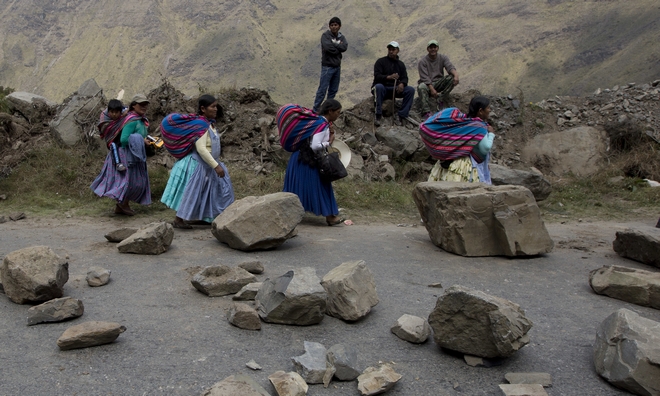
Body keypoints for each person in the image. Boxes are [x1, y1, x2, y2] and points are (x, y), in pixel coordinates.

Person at [160, 95, 235, 229]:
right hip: (199, 165)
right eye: (212, 106)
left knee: (209, 192)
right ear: (203, 108)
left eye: (216, 106)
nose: (216, 109)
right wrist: (216, 166)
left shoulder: (210, 124)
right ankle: (179, 219)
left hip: (208, 166)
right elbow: (201, 149)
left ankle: (205, 217)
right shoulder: (201, 125)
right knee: (191, 192)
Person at [283, 99, 344, 226]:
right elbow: (315, 145)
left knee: (298, 187)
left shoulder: (316, 121)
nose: (338, 115)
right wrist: (330, 142)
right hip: (307, 161)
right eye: (337, 112)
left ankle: (290, 214)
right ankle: (330, 216)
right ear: (330, 111)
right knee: (321, 186)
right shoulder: (322, 124)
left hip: (298, 158)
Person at [91, 94, 152, 215]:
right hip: (125, 155)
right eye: (141, 104)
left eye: (145, 104)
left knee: (131, 181)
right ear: (134, 106)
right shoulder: (131, 120)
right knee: (128, 181)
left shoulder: (141, 119)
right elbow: (124, 139)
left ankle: (121, 206)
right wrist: (141, 140)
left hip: (133, 154)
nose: (144, 107)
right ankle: (123, 204)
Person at [420, 96, 495, 184]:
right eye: (488, 108)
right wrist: (491, 134)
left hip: (446, 164)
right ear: (481, 111)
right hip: (461, 167)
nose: (490, 110)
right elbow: (485, 148)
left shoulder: (462, 122)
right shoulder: (479, 127)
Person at [372, 41, 415, 127]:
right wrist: (389, 77)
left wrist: (402, 84)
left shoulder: (400, 64)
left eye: (393, 49)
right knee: (378, 87)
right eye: (390, 49)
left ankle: (402, 115)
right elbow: (377, 76)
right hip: (383, 87)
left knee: (410, 90)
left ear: (397, 50)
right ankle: (378, 115)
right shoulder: (380, 62)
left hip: (395, 89)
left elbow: (405, 77)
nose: (391, 51)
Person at [312, 17, 348, 114]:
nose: (334, 27)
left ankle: (327, 110)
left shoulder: (341, 37)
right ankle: (315, 110)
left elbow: (344, 47)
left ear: (339, 26)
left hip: (337, 67)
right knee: (322, 89)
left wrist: (335, 45)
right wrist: (338, 47)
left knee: (333, 90)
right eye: (332, 25)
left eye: (335, 25)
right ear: (329, 26)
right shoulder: (325, 36)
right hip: (327, 67)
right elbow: (328, 48)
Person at [417, 40, 459, 120]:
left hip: (439, 82)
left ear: (437, 48)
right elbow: (424, 77)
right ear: (428, 49)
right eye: (431, 47)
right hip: (427, 84)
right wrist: (432, 89)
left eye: (434, 47)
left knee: (451, 78)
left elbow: (450, 67)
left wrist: (456, 75)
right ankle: (426, 112)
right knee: (421, 87)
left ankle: (441, 99)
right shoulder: (423, 61)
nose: (433, 49)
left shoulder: (443, 58)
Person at [103, 99, 127, 172]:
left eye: (116, 112)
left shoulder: (124, 118)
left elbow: (129, 109)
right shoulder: (106, 121)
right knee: (113, 145)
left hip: (123, 139)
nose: (114, 114)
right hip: (112, 141)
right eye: (112, 112)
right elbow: (104, 130)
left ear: (120, 112)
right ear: (108, 111)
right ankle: (118, 163)